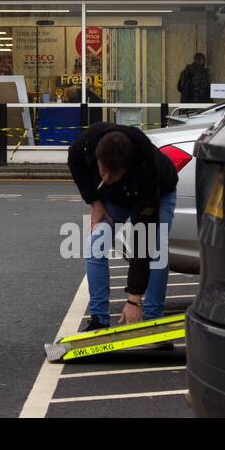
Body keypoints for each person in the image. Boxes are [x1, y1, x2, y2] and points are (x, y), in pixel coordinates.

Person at [67, 122, 179, 331]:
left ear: (127, 167)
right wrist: (95, 202)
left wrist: (134, 300)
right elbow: (74, 161)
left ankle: (153, 320)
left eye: (113, 175)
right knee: (94, 245)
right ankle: (98, 319)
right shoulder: (88, 143)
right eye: (103, 173)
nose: (106, 179)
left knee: (156, 250)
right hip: (115, 199)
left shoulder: (145, 169)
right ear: (97, 160)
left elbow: (142, 243)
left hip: (157, 194)